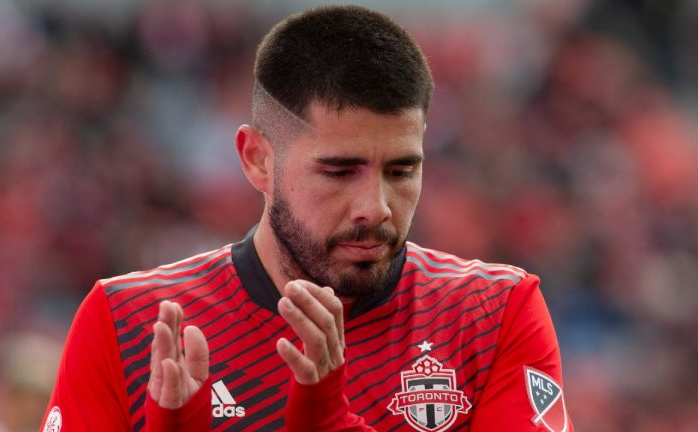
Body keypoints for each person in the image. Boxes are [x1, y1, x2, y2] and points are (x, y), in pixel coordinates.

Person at [41, 5, 573, 432]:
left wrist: (326, 416)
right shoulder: (128, 324)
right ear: (257, 159)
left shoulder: (493, 314)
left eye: (401, 170)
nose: (377, 206)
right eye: (340, 171)